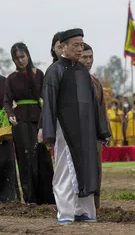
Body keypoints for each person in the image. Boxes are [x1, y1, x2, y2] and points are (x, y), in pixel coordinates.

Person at [42, 28, 111, 225]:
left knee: (86, 169)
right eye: (76, 45)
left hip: (87, 131)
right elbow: (49, 104)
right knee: (66, 169)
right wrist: (49, 135)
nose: (80, 49)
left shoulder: (83, 72)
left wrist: (102, 130)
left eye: (81, 45)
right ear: (63, 46)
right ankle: (65, 213)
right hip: (65, 131)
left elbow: (95, 105)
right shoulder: (54, 71)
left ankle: (85, 211)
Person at [4, 42, 48, 204]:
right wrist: (10, 115)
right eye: (17, 58)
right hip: (21, 122)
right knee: (25, 159)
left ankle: (47, 198)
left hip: (39, 119)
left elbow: (46, 98)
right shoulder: (11, 78)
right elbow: (7, 101)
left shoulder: (39, 74)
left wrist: (44, 119)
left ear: (28, 55)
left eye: (22, 57)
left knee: (42, 158)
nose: (21, 61)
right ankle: (30, 199)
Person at [78, 43, 112, 210]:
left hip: (94, 135)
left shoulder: (96, 82)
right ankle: (76, 208)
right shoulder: (70, 80)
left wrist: (105, 132)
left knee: (96, 170)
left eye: (91, 57)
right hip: (76, 135)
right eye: (85, 57)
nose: (89, 60)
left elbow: (102, 109)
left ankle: (94, 208)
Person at [0, 74, 18, 203]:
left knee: (6, 161)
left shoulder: (4, 81)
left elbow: (12, 102)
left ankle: (9, 199)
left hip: (4, 130)